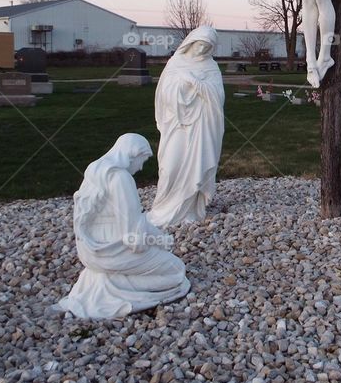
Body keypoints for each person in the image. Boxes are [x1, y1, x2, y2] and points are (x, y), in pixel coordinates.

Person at [55, 134, 190, 319]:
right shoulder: (120, 178)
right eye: (142, 160)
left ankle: (107, 279)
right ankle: (119, 287)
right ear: (132, 155)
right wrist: (160, 239)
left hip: (90, 250)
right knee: (176, 269)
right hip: (114, 250)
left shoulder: (95, 169)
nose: (141, 167)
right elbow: (133, 234)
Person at [150, 26, 225, 227]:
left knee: (197, 166)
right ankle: (163, 206)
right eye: (200, 44)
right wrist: (181, 87)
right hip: (178, 123)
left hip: (201, 125)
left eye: (207, 47)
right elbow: (164, 93)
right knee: (169, 166)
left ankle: (190, 208)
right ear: (192, 42)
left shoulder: (211, 67)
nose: (202, 50)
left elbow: (218, 97)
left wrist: (196, 84)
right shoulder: (176, 62)